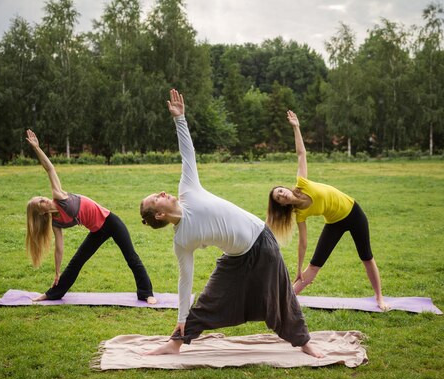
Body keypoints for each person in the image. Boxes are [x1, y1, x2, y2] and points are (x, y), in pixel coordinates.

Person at [139, 89, 324, 357]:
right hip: (235, 258)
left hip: (261, 240)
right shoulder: (182, 240)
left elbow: (187, 153)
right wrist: (181, 316)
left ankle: (305, 343)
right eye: (157, 198)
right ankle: (175, 342)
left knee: (281, 296)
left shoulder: (188, 189)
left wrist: (180, 119)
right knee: (207, 300)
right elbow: (185, 280)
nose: (162, 193)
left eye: (158, 192)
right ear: (159, 215)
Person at [266, 110, 388, 311]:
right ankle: (284, 301)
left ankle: (379, 297)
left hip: (354, 213)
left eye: (280, 191)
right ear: (283, 205)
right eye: (279, 198)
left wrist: (296, 127)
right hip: (334, 223)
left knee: (366, 256)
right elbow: (303, 243)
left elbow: (301, 154)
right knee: (314, 266)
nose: (282, 195)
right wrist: (298, 269)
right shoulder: (300, 214)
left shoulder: (302, 183)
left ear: (285, 188)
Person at [24, 129, 157, 304]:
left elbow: (49, 168)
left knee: (131, 256)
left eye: (41, 197)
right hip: (97, 231)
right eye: (40, 202)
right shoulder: (56, 222)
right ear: (40, 212)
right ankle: (53, 293)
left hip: (111, 221)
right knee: (77, 261)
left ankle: (147, 293)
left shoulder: (58, 196)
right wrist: (57, 272)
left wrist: (37, 148)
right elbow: (59, 248)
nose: (44, 199)